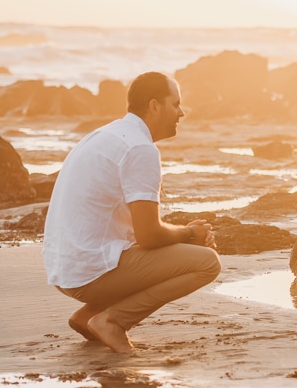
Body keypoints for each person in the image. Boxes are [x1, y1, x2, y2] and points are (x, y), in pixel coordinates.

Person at [43, 71, 220, 354]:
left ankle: (88, 316)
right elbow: (148, 236)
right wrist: (189, 234)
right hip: (88, 273)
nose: (182, 113)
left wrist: (185, 235)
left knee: (172, 252)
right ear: (154, 106)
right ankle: (113, 320)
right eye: (175, 104)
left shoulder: (107, 135)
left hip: (66, 268)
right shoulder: (139, 148)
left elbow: (141, 232)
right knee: (207, 263)